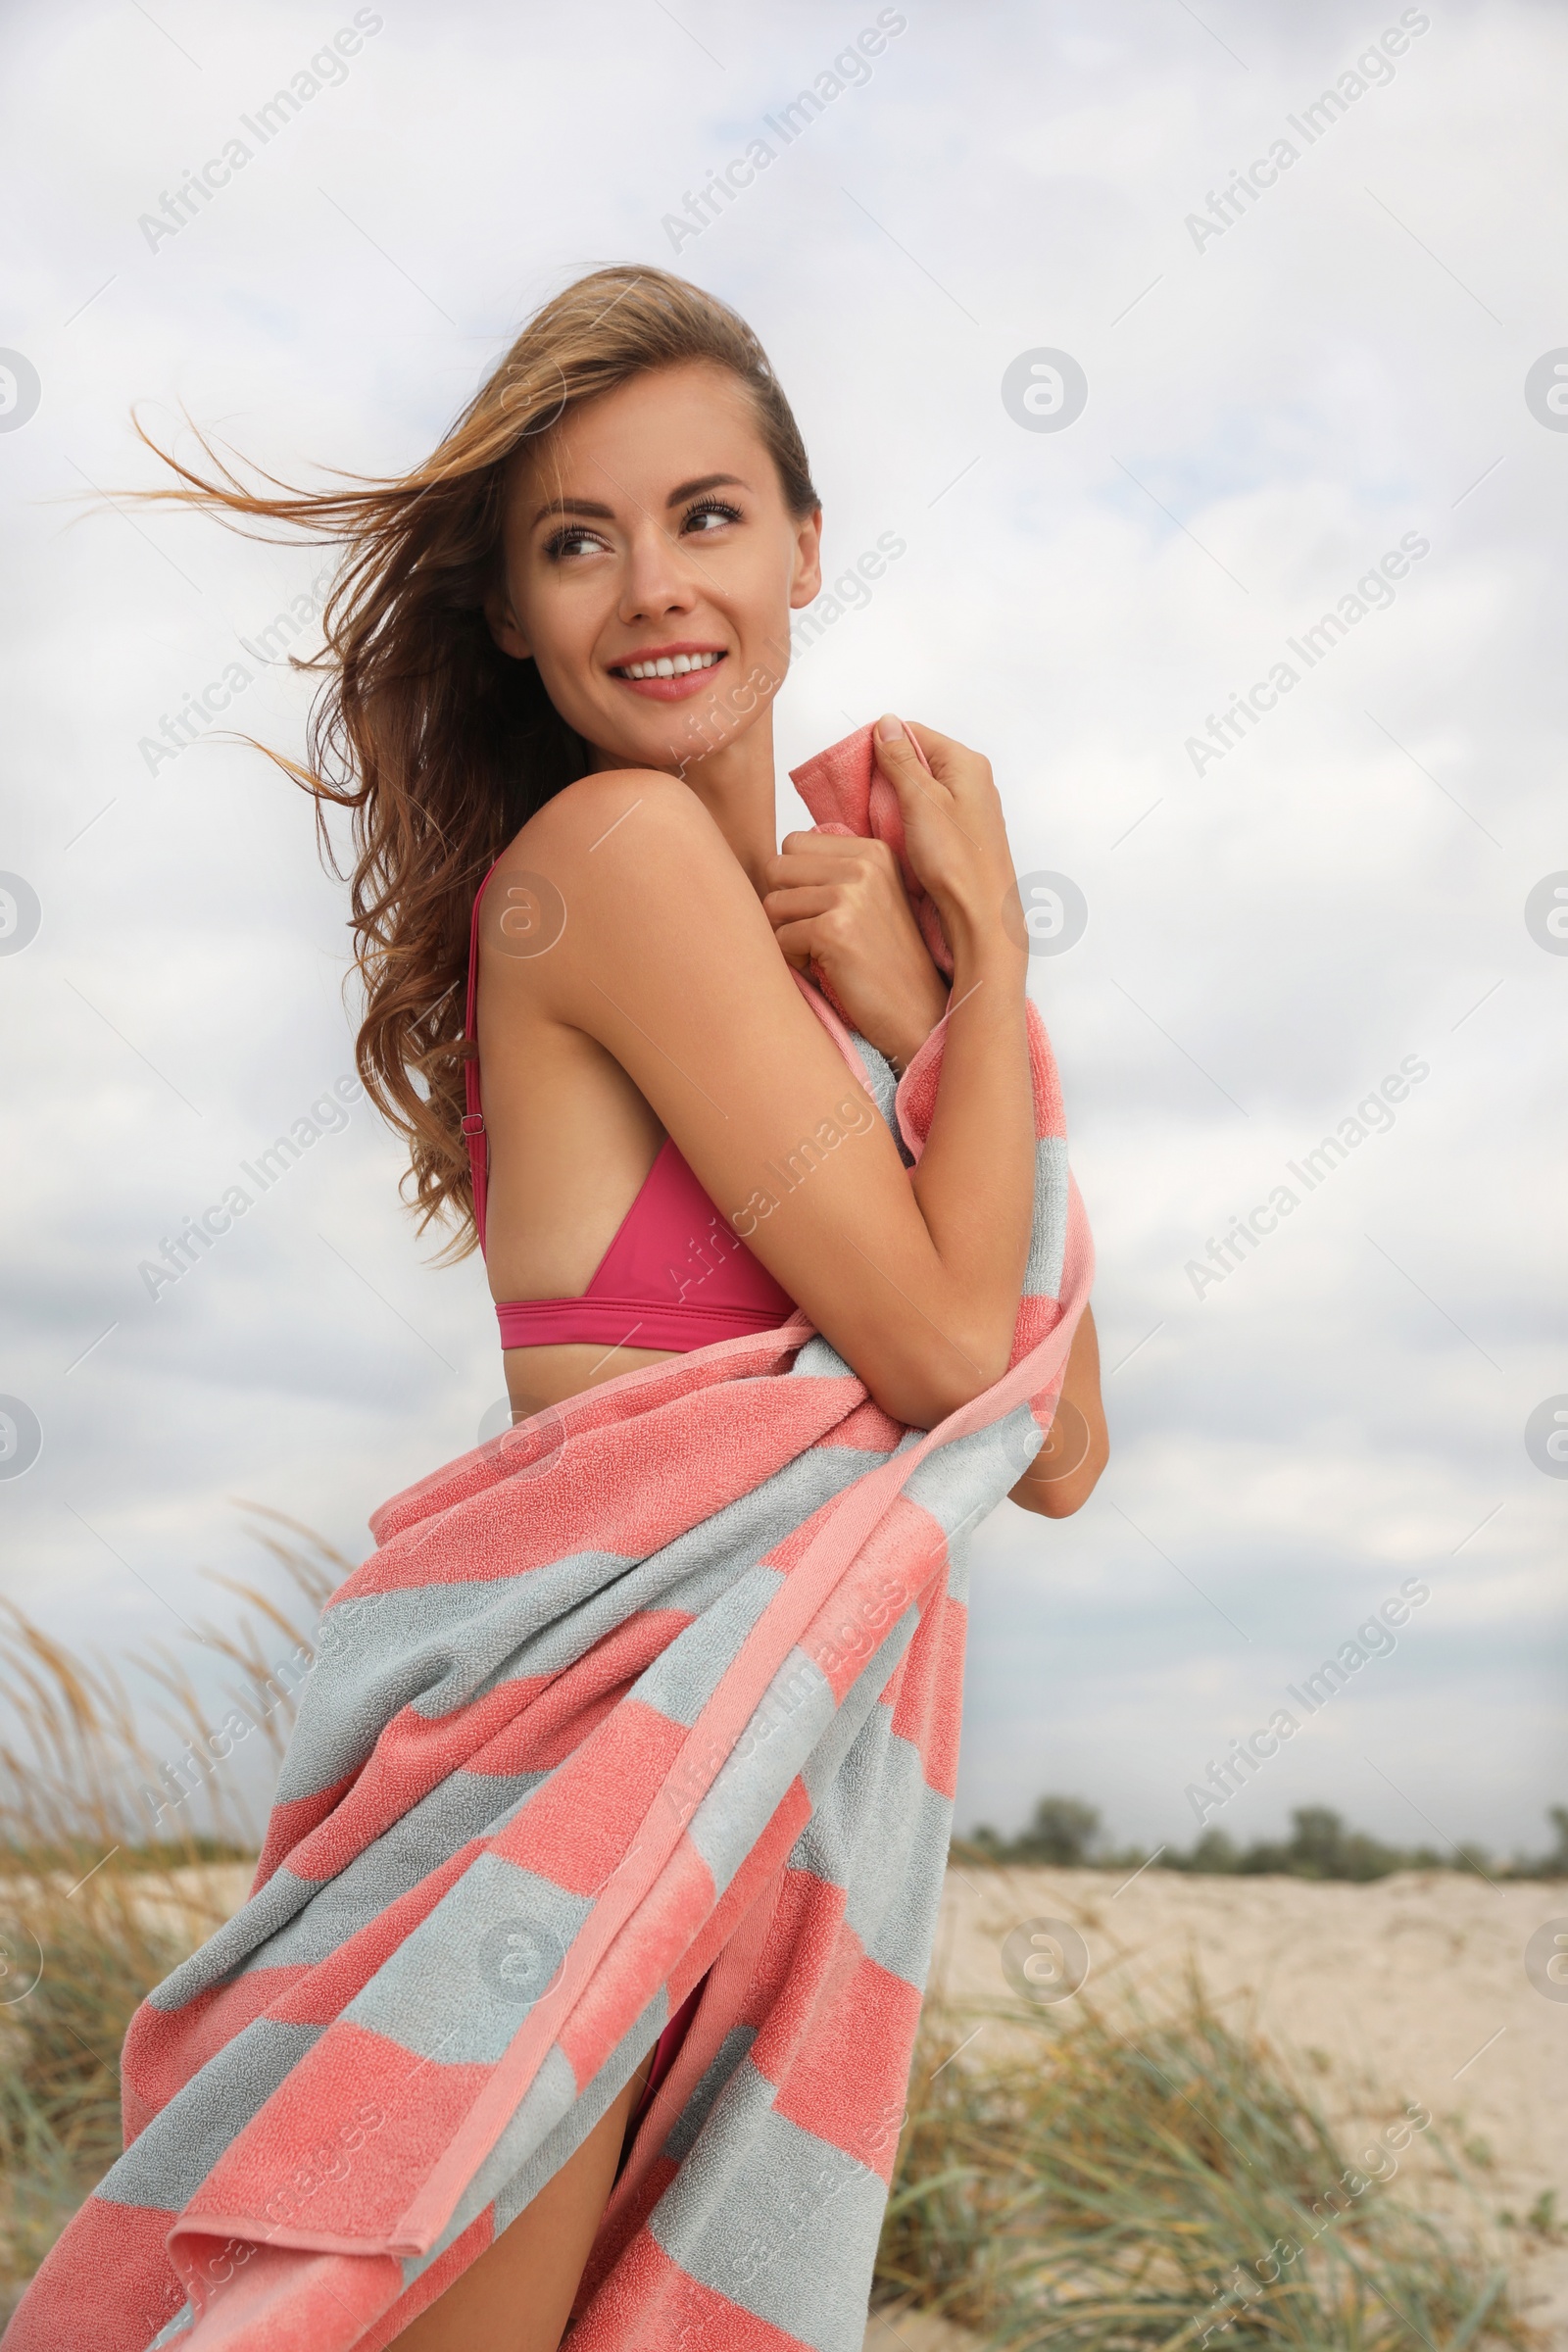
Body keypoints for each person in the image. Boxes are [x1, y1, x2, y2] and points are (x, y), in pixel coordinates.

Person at [15, 266, 1105, 2352]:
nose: (647, 590)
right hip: (573, 1784)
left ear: (801, 542)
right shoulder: (607, 854)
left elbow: (1053, 1442)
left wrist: (921, 1016)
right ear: (509, 613)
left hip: (713, 1791)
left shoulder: (810, 975)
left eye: (702, 517)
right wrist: (988, 980)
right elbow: (966, 1361)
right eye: (572, 543)